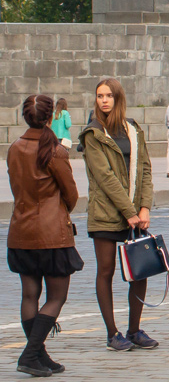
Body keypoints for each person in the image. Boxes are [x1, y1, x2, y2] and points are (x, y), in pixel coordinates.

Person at [80, 78, 157, 352]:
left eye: (109, 95)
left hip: (135, 212)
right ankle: (112, 333)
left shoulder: (132, 129)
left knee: (140, 270)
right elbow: (105, 177)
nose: (104, 100)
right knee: (106, 271)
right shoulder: (92, 133)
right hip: (105, 212)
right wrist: (129, 211)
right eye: (100, 96)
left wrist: (144, 207)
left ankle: (134, 330)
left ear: (118, 98)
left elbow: (145, 168)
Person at [9, 95, 83, 376]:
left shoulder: (15, 148)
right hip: (51, 234)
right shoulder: (54, 151)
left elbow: (16, 186)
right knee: (56, 296)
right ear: (51, 117)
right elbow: (71, 193)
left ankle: (39, 355)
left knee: (29, 294)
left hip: (21, 230)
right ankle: (30, 354)